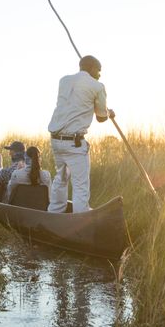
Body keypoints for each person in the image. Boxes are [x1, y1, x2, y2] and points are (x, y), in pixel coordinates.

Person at [47, 55, 115, 213]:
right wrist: (109, 113)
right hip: (74, 144)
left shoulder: (63, 81)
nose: (99, 74)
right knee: (80, 186)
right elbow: (101, 117)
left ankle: (54, 213)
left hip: (56, 141)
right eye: (98, 71)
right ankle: (81, 219)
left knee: (61, 179)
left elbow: (76, 102)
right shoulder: (97, 86)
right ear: (91, 68)